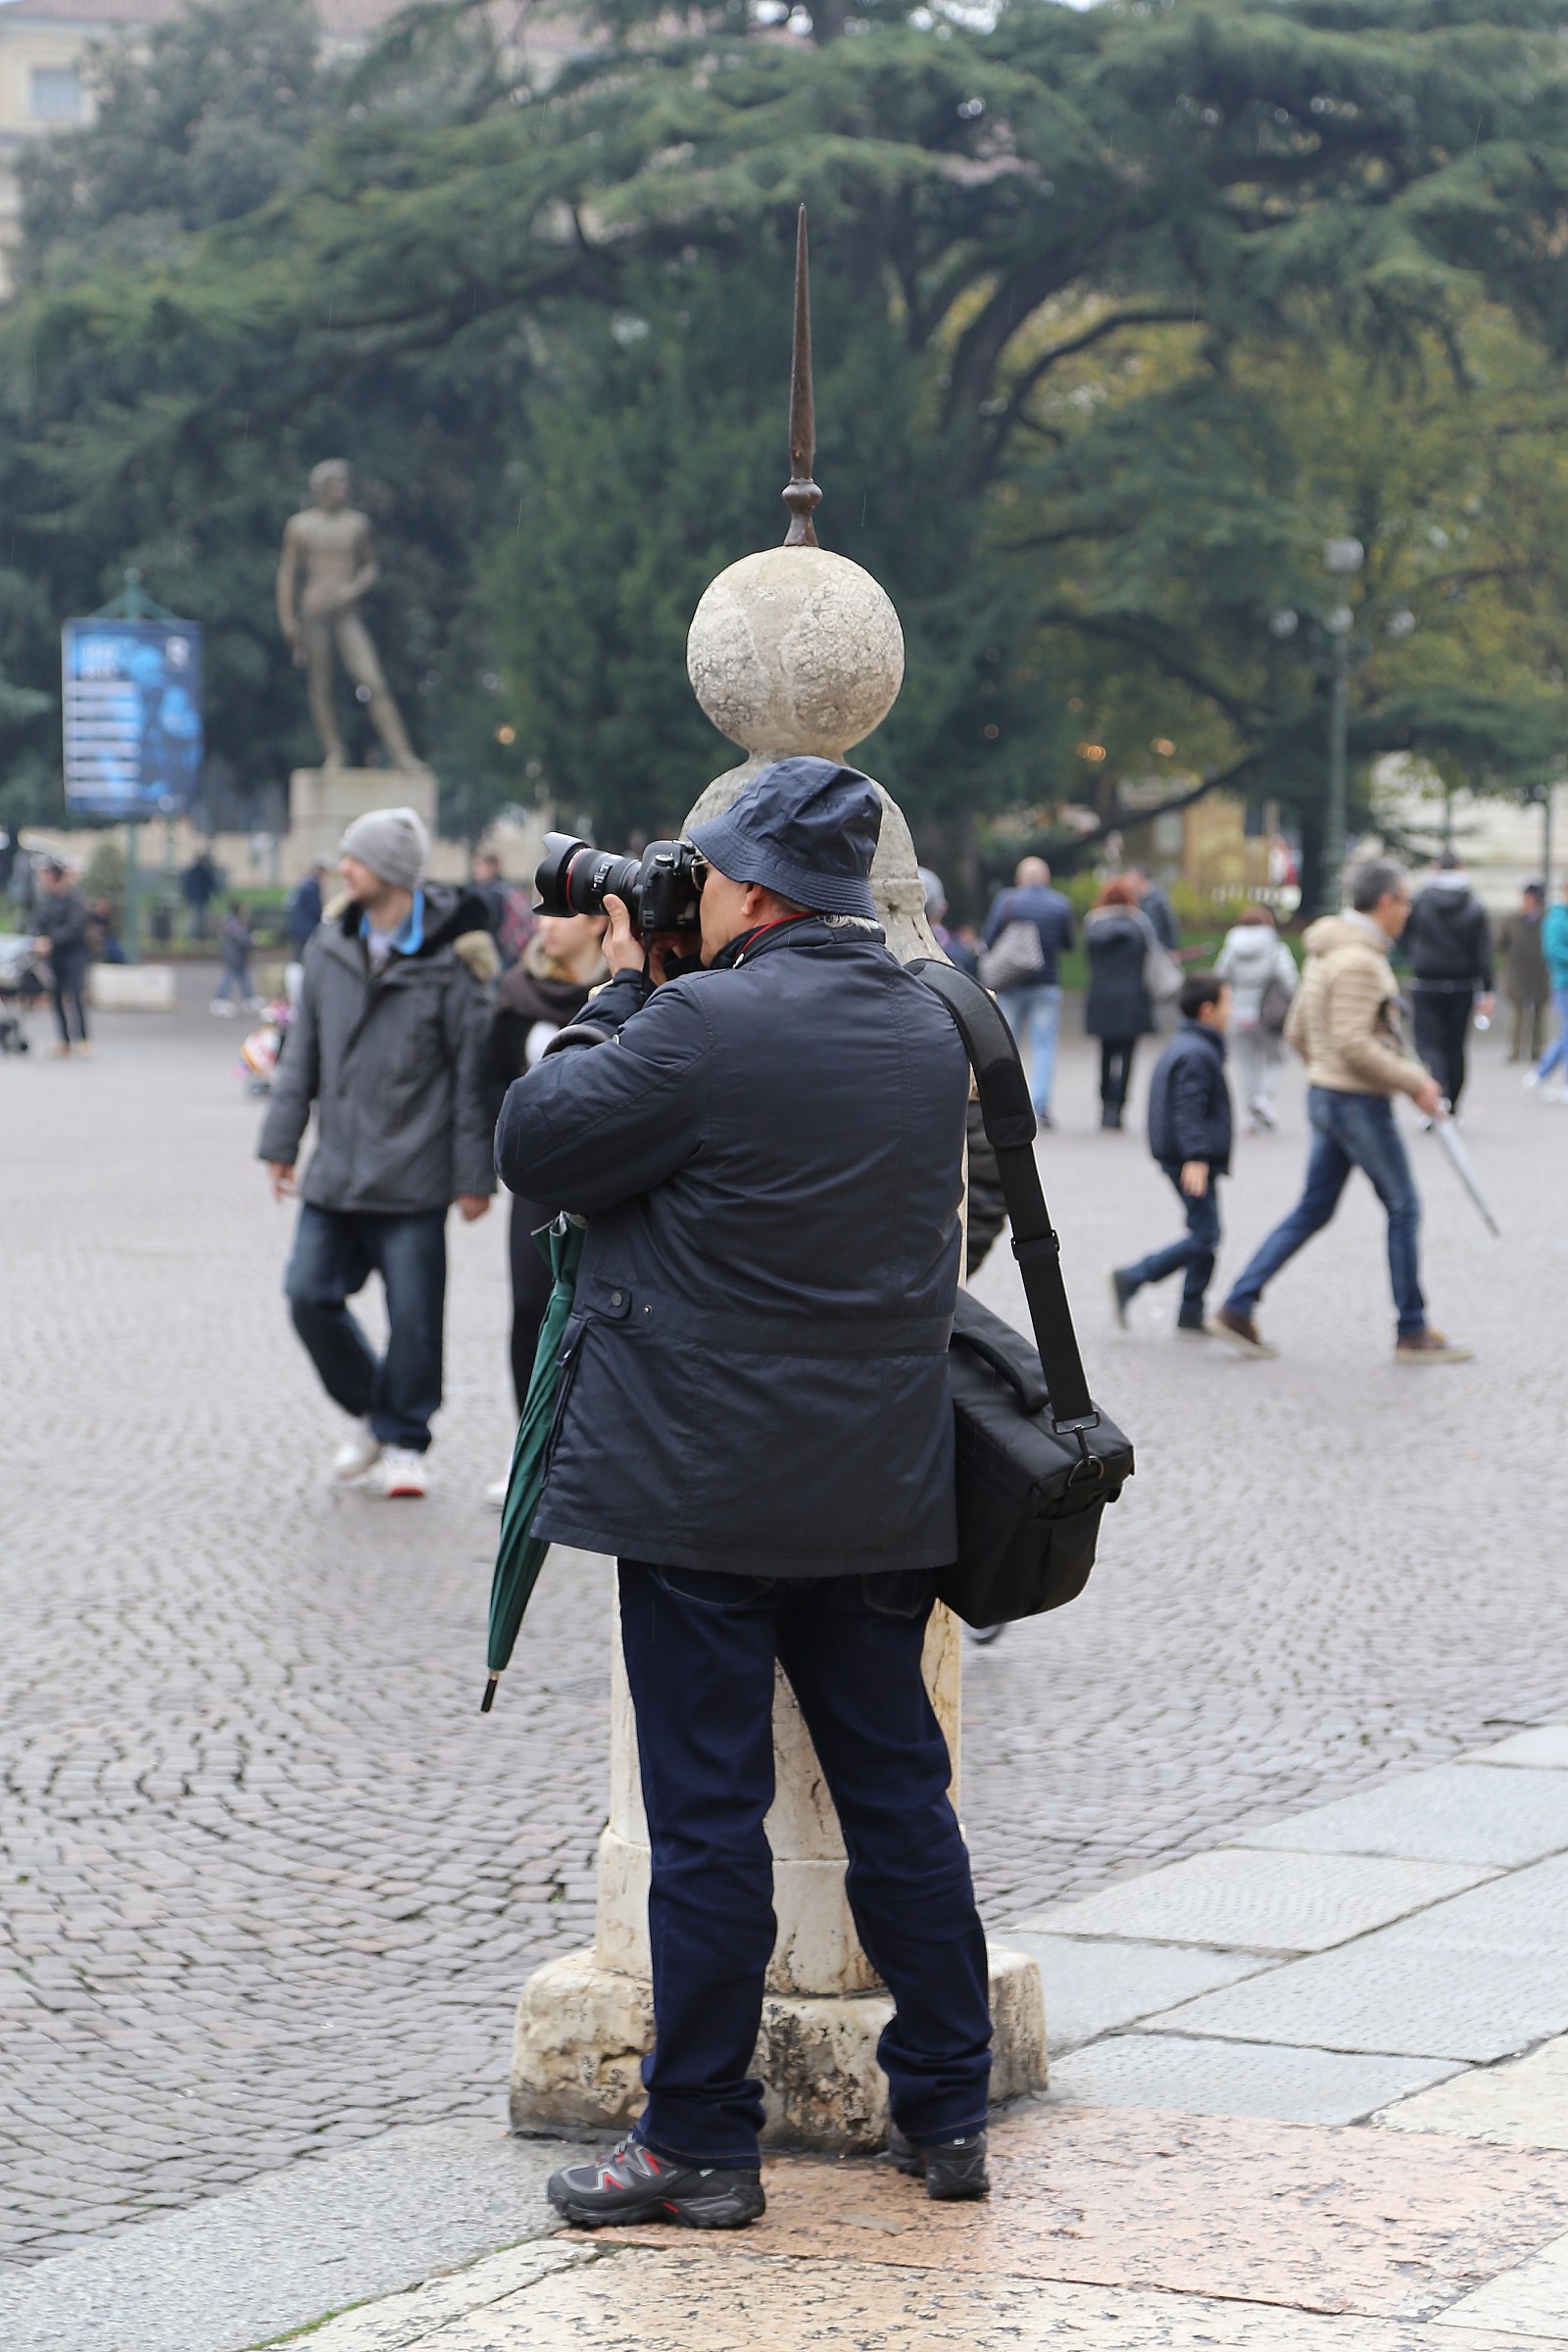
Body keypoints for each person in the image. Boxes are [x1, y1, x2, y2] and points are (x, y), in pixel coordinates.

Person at [497, 756, 992, 2230]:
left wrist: (618, 987)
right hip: (882, 1493)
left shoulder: (694, 1026)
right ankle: (949, 2109)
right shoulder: (931, 1026)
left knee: (708, 1817)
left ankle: (703, 2138)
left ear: (755, 888)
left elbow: (538, 1146)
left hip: (707, 1497)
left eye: (704, 871)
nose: (686, 891)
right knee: (901, 1794)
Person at [258, 807, 498, 1496]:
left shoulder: (453, 959)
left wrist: (473, 1175)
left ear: (391, 871)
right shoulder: (329, 944)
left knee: (417, 1322)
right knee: (306, 1295)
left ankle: (405, 1441)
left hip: (414, 1175)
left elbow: (469, 1080)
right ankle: (376, 1409)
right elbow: (302, 1052)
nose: (342, 868)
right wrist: (281, 1142)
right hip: (336, 1170)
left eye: (353, 857)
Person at [1211, 859, 1472, 1364]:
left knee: (1313, 1208)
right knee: (1404, 1207)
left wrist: (1325, 1073)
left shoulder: (1328, 952)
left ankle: (1238, 1306)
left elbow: (1297, 1032)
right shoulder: (1359, 961)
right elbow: (1354, 1043)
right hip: (1356, 1102)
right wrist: (1414, 1080)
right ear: (1387, 903)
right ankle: (1412, 1330)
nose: (1410, 910)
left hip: (1328, 1097)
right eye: (1405, 900)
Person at [483, 906, 610, 1503]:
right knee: (532, 1306)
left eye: (564, 915)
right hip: (536, 1179)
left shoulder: (629, 990)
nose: (547, 927)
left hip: (606, 1174)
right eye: (543, 917)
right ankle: (529, 1455)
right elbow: (490, 1083)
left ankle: (586, 1455)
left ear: (598, 923)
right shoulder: (517, 992)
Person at [1111, 973, 1233, 1335]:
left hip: (1186, 1153)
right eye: (1228, 1003)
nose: (1232, 1011)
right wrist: (1196, 1156)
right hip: (1188, 1156)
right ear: (1208, 1010)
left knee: (1204, 1230)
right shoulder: (1196, 1052)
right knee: (1205, 1235)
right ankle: (1132, 1277)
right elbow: (1187, 1107)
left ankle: (1192, 1310)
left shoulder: (1191, 1044)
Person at [978, 855, 1075, 1126]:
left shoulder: (1007, 900)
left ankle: (1008, 1103)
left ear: (1020, 879)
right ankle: (1040, 1105)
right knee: (1044, 1044)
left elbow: (988, 937)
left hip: (1010, 984)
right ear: (1045, 878)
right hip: (1047, 983)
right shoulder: (1060, 904)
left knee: (1008, 1043)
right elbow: (1068, 944)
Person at [1402, 852, 1494, 1112]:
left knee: (1429, 1043)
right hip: (1462, 984)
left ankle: (1437, 1089)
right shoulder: (1474, 904)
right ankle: (1452, 1099)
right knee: (1455, 1044)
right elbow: (1482, 952)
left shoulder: (1421, 900)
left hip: (1426, 981)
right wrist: (1486, 989)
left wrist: (1415, 955)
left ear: (1435, 868)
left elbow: (1404, 935)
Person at [1214, 905, 1298, 1132]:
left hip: (1238, 1012)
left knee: (1245, 1064)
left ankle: (1251, 1114)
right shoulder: (1275, 947)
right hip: (1267, 1013)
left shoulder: (1231, 946)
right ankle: (1263, 1098)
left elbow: (1220, 974)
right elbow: (1289, 979)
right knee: (1275, 1058)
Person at [1084, 876, 1154, 1128]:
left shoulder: (1092, 924)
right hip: (1132, 994)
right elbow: (1149, 957)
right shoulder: (1139, 924)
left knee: (1105, 1052)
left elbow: (1089, 961)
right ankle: (1119, 1106)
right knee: (1128, 1053)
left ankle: (1105, 1105)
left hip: (1102, 994)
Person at [33, 860, 91, 1058]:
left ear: (54, 876)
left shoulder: (73, 898)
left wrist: (51, 940)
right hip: (54, 955)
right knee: (56, 997)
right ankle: (64, 1040)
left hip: (74, 954)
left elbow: (75, 927)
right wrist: (38, 939)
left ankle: (82, 1039)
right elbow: (37, 922)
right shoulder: (46, 899)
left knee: (75, 996)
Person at [1497, 882, 1549, 1065]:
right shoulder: (1512, 920)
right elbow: (1500, 944)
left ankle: (1537, 1049)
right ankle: (1515, 1049)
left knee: (1539, 1013)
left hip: (1540, 973)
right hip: (1517, 973)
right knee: (1517, 1014)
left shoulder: (1546, 920)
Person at [211, 900, 257, 1016]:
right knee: (231, 976)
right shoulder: (234, 923)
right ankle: (220, 999)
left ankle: (249, 998)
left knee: (241, 977)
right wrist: (252, 940)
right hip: (234, 955)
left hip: (234, 955)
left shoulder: (230, 921)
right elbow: (241, 938)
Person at [1129, 863, 1179, 952]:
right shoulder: (1135, 899)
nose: (1128, 880)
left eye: (1131, 877)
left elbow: (1171, 924)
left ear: (1140, 877)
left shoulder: (1159, 898)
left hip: (1160, 950)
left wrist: (1171, 948)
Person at [287, 864, 327, 958]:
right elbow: (315, 909)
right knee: (306, 956)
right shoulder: (311, 887)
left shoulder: (305, 884)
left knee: (299, 955)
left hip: (299, 927)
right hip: (307, 929)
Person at [181, 850, 220, 943]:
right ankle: (199, 936)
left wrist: (187, 897)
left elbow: (186, 886)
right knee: (200, 918)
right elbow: (211, 884)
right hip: (201, 898)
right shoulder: (203, 872)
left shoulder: (192, 872)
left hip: (196, 899)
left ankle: (197, 936)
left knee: (197, 919)